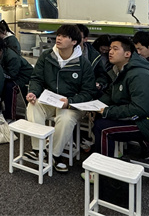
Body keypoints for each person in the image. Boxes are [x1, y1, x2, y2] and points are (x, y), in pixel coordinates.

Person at [24, 24, 95, 173]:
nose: (59, 38)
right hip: (50, 100)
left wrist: (70, 102)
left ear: (74, 42)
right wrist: (33, 93)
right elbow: (36, 78)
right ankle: (39, 150)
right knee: (33, 105)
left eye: (64, 36)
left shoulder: (83, 64)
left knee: (65, 118)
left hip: (72, 104)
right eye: (58, 35)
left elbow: (88, 92)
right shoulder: (47, 56)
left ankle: (55, 154)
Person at [93, 36, 149, 158]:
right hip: (141, 117)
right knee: (100, 119)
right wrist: (95, 106)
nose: (110, 52)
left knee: (103, 128)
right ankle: (108, 155)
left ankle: (102, 166)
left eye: (115, 49)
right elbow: (110, 94)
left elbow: (140, 108)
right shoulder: (120, 71)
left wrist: (108, 111)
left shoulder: (139, 75)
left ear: (127, 54)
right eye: (110, 49)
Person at [0, 36, 33, 121]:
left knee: (10, 87)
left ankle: (10, 116)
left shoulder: (12, 57)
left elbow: (12, 75)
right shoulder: (0, 55)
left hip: (23, 76)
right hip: (11, 74)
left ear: (0, 51)